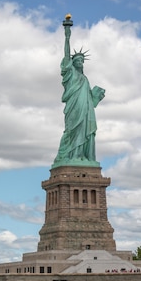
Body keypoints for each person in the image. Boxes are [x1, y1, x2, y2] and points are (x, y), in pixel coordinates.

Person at [53, 16, 105, 167]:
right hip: (74, 108)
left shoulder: (85, 79)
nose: (80, 62)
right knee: (73, 130)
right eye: (77, 60)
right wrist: (67, 35)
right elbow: (66, 55)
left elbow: (90, 100)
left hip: (87, 110)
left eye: (82, 60)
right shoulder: (70, 74)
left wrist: (97, 97)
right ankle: (73, 155)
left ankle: (83, 157)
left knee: (85, 131)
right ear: (72, 63)